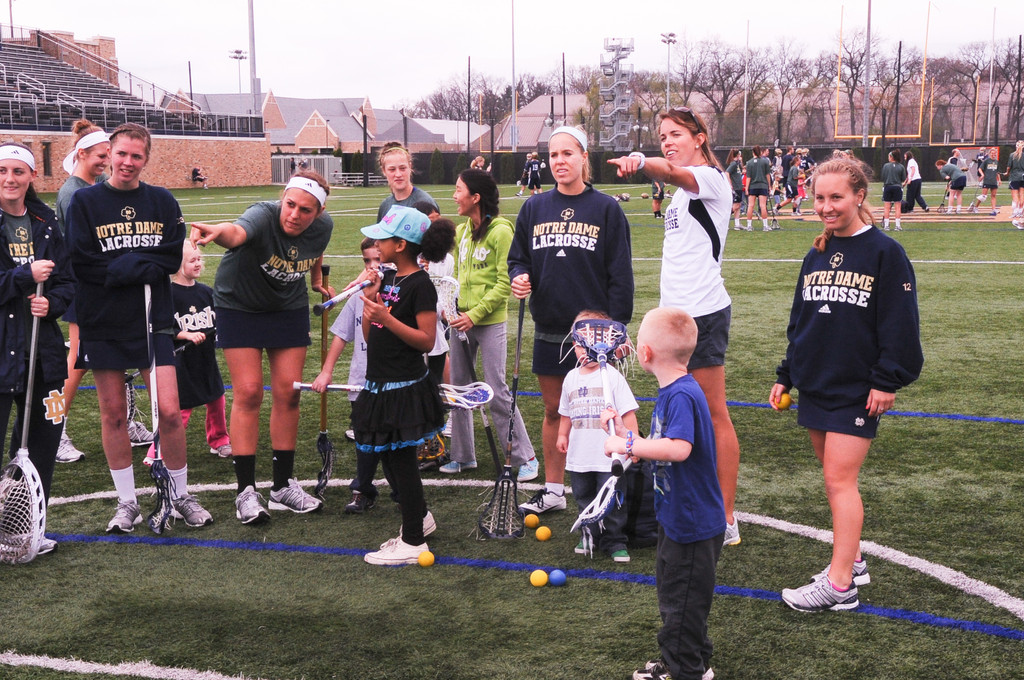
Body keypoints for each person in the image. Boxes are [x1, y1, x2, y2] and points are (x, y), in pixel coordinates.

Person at [770, 152, 923, 612]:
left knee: (840, 481)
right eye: (819, 197)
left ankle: (840, 586)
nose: (826, 206)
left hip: (858, 388)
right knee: (832, 477)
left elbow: (900, 324)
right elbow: (801, 323)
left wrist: (886, 380)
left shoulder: (885, 252)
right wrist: (786, 375)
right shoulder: (817, 252)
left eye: (836, 197)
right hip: (817, 383)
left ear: (859, 196)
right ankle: (853, 559)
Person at [66, 123, 212, 532]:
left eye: (137, 156)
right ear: (109, 154)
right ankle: (127, 501)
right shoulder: (85, 202)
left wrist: (123, 267)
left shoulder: (161, 200)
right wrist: (135, 266)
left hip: (153, 319)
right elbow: (81, 260)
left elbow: (169, 257)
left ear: (146, 159)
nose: (128, 162)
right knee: (113, 414)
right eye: (122, 154)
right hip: (104, 319)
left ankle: (181, 495)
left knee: (168, 409)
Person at [607, 107, 743, 547]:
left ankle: (726, 516)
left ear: (699, 138)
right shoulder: (681, 194)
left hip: (701, 314)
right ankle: (684, 505)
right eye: (661, 136)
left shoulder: (708, 179)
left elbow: (671, 171)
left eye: (676, 134)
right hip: (675, 315)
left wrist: (644, 162)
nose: (667, 141)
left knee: (713, 415)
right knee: (677, 415)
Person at [190, 171, 334, 524]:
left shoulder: (323, 226)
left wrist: (316, 279)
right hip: (239, 305)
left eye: (305, 210)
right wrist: (216, 232)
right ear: (282, 199)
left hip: (288, 308)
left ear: (317, 213)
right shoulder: (263, 214)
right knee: (250, 391)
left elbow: (315, 249)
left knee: (289, 392)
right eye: (290, 204)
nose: (294, 215)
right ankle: (245, 491)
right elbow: (237, 232)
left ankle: (283, 485)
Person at [508, 125, 634, 515]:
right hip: (549, 328)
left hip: (594, 335)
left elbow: (620, 273)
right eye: (553, 155)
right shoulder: (533, 207)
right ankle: (553, 490)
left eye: (567, 154)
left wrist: (617, 329)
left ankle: (605, 488)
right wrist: (519, 276)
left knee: (600, 414)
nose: (559, 162)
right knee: (554, 411)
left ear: (583, 158)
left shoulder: (607, 208)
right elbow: (518, 258)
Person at [603, 306, 725, 680]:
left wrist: (631, 446)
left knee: (680, 603)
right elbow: (658, 444)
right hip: (678, 518)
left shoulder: (681, 396)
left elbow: (678, 449)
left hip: (692, 524)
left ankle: (684, 670)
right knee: (681, 602)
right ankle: (692, 662)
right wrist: (626, 439)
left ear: (646, 354)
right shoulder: (675, 390)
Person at [354, 205, 454, 565]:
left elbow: (427, 340)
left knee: (402, 462)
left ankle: (413, 542)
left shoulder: (420, 285)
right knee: (388, 458)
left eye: (382, 237)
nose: (375, 242)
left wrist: (386, 317)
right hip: (380, 382)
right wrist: (374, 302)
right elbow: (371, 334)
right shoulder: (391, 278)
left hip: (403, 387)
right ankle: (420, 519)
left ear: (400, 244)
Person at [0, 142, 75, 556]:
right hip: (1, 352)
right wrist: (23, 276)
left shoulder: (46, 222)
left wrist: (53, 305)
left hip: (43, 356)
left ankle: (23, 528)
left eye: (18, 171)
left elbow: (67, 282)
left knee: (42, 442)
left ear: (31, 177)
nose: (9, 179)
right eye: (2, 171)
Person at [442, 168, 537, 479]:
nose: (454, 196)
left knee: (496, 389)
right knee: (459, 389)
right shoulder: (462, 231)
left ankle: (524, 458)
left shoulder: (500, 231)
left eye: (459, 190)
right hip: (460, 321)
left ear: (476, 197)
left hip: (488, 321)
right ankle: (462, 456)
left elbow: (503, 282)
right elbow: (456, 276)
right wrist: (453, 309)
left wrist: (475, 314)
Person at [558, 310, 639, 563]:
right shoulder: (570, 378)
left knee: (613, 500)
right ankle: (588, 534)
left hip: (609, 455)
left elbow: (627, 413)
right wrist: (562, 435)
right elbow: (566, 413)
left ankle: (615, 541)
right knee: (583, 497)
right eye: (583, 345)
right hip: (580, 456)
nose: (589, 351)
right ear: (575, 346)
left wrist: (632, 444)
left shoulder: (612, 377)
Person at [53, 119, 112, 463]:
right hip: (84, 286)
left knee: (113, 352)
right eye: (101, 156)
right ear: (81, 153)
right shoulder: (74, 193)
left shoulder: (92, 186)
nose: (106, 161)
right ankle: (54, 426)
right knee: (77, 359)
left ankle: (129, 420)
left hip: (101, 286)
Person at [312, 237, 384, 514]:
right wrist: (327, 371)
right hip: (361, 381)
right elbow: (342, 335)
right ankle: (362, 490)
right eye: (367, 261)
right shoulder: (357, 296)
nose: (372, 266)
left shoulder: (396, 293)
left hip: (392, 381)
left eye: (377, 259)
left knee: (392, 439)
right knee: (364, 438)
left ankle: (404, 493)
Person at [144, 240, 231, 464]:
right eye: (192, 260)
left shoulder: (206, 292)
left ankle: (219, 440)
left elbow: (219, 317)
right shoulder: (168, 294)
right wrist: (186, 334)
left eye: (199, 259)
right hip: (181, 362)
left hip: (205, 359)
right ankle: (159, 449)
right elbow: (161, 325)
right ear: (178, 264)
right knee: (180, 408)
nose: (198, 264)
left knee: (216, 400)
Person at [376, 142, 438, 221]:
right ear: (384, 171)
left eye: (402, 168)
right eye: (392, 169)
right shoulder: (385, 205)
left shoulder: (425, 203)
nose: (398, 174)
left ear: (410, 167)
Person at [744, 145, 772, 231]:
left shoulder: (749, 163)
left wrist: (746, 188)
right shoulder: (765, 162)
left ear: (753, 152)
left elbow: (748, 177)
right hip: (762, 186)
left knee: (750, 206)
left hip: (752, 186)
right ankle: (765, 226)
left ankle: (749, 226)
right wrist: (769, 186)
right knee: (763, 206)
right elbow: (767, 175)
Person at [880, 149, 906, 231]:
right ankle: (897, 226)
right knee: (897, 207)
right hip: (897, 187)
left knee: (886, 207)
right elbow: (903, 178)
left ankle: (886, 226)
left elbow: (883, 177)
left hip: (887, 187)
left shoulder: (886, 166)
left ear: (891, 157)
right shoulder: (901, 166)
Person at [970, 148, 1000, 216]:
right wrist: (982, 175)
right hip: (987, 181)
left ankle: (993, 209)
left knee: (993, 196)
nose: (993, 155)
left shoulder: (996, 162)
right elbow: (980, 168)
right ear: (990, 154)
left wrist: (999, 180)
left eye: (994, 153)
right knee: (983, 196)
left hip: (994, 181)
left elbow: (997, 172)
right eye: (992, 153)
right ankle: (976, 207)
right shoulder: (987, 161)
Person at [1004, 141, 1024, 228]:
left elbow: (1009, 167)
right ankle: (1020, 212)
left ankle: (1015, 212)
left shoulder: (1012, 155)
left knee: (1015, 196)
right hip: (1023, 177)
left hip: (1014, 177)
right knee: (1022, 195)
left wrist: (1007, 173)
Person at [724, 149, 746, 230]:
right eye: (739, 155)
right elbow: (727, 173)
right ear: (737, 155)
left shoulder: (737, 164)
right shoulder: (733, 164)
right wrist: (730, 184)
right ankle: (724, 220)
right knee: (735, 206)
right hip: (735, 188)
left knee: (738, 205)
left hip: (739, 187)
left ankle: (737, 224)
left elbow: (742, 169)